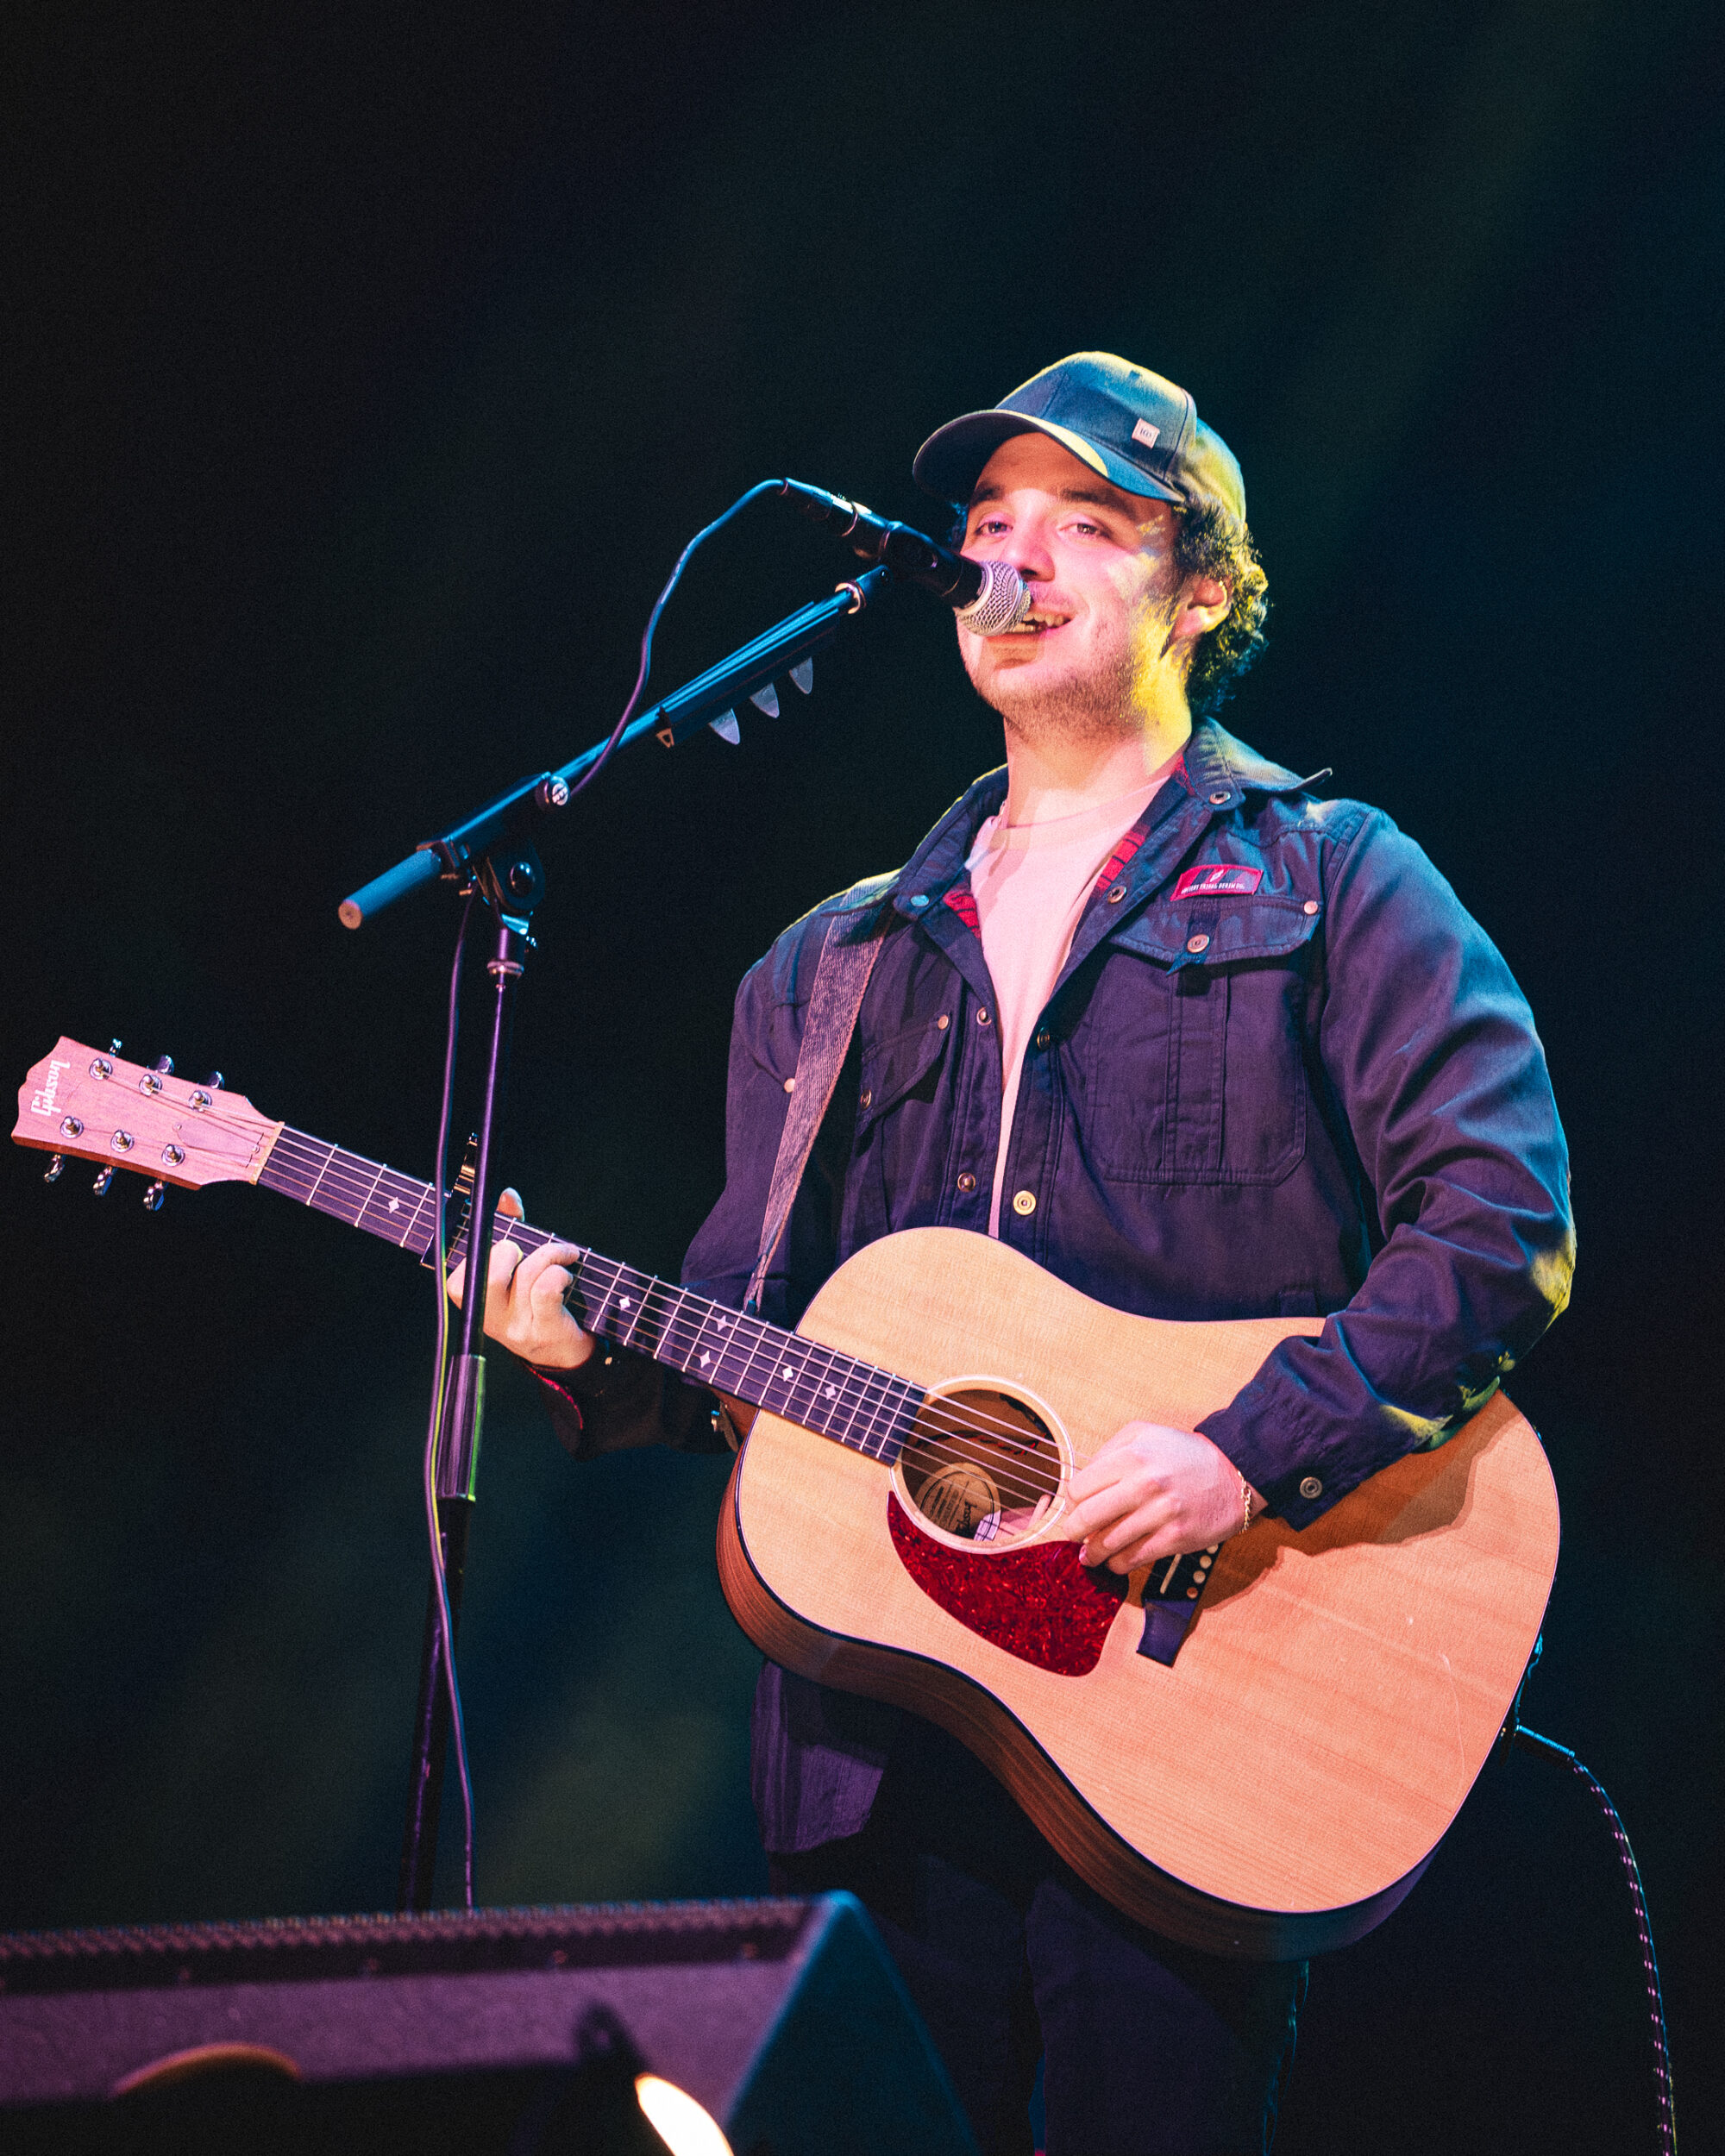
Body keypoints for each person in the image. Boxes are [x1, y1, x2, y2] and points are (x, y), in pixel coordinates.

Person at [457, 353, 1575, 2154]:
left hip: (1191, 1725)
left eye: (1089, 524)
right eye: (987, 527)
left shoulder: (1334, 879)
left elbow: (1500, 1221)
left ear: (1200, 590)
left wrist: (1241, 1446)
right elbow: (741, 1338)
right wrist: (574, 1344)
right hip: (880, 1742)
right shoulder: (825, 965)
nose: (1014, 561)